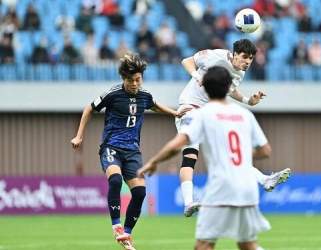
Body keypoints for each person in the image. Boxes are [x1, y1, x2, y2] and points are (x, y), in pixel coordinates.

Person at [138, 66, 273, 250]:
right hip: (248, 188)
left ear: (206, 89)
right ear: (228, 88)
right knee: (247, 244)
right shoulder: (245, 115)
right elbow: (265, 151)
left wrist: (153, 161)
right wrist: (238, 157)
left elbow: (176, 145)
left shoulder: (203, 115)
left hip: (222, 187)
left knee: (203, 245)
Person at [71, 53, 188, 250]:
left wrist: (175, 112)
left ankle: (127, 234)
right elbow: (88, 109)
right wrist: (79, 136)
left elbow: (154, 105)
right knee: (115, 180)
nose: (134, 84)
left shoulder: (144, 95)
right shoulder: (112, 94)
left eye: (138, 80)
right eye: (130, 80)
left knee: (140, 192)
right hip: (111, 147)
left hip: (133, 151)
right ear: (123, 79)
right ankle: (116, 225)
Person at [176, 38, 291, 216]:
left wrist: (248, 101)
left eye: (251, 58)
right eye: (244, 57)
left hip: (209, 113)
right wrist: (197, 75)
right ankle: (189, 202)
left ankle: (264, 179)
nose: (247, 62)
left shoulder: (240, 73)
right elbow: (187, 61)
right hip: (189, 106)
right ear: (234, 54)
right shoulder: (215, 57)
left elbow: (230, 90)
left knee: (229, 154)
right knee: (191, 154)